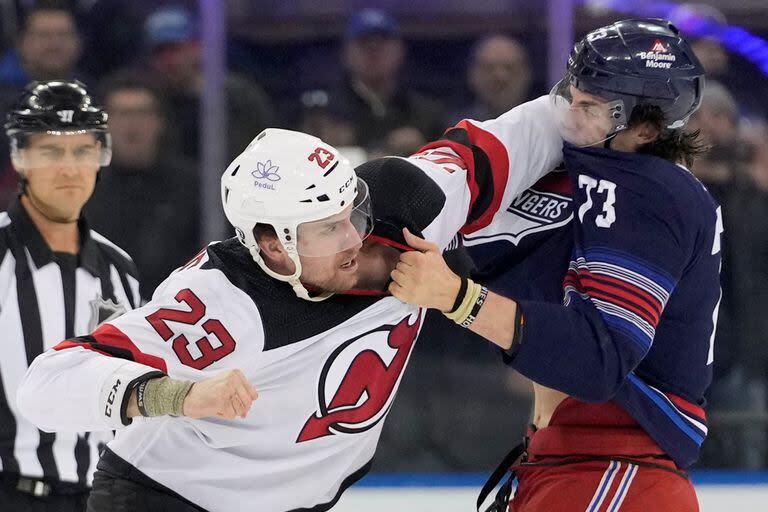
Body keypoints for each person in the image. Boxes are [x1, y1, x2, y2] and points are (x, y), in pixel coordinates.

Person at [17, 91, 564, 510]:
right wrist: (174, 396)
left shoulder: (412, 203)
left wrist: (590, 102)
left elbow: (518, 137)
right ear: (273, 246)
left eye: (352, 213)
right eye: (327, 230)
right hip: (169, 498)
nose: (353, 238)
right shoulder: (220, 303)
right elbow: (46, 385)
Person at [389, 19, 718, 512]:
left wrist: (456, 299)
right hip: (570, 463)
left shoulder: (649, 193)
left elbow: (597, 359)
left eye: (590, 108)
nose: (567, 117)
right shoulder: (602, 177)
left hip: (616, 475)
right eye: (571, 97)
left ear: (646, 128)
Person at [0, 80, 140, 511]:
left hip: (99, 496)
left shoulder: (120, 269)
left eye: (82, 151)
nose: (69, 168)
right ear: (20, 158)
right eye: (51, 151)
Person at [86, 72, 199, 300]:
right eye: (122, 114)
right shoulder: (81, 188)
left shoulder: (194, 187)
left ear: (160, 122)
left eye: (142, 113)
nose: (132, 124)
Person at [449, 34, 533, 124]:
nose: (501, 77)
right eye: (489, 68)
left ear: (526, 75)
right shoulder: (457, 130)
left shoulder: (543, 125)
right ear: (472, 76)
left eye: (510, 68)